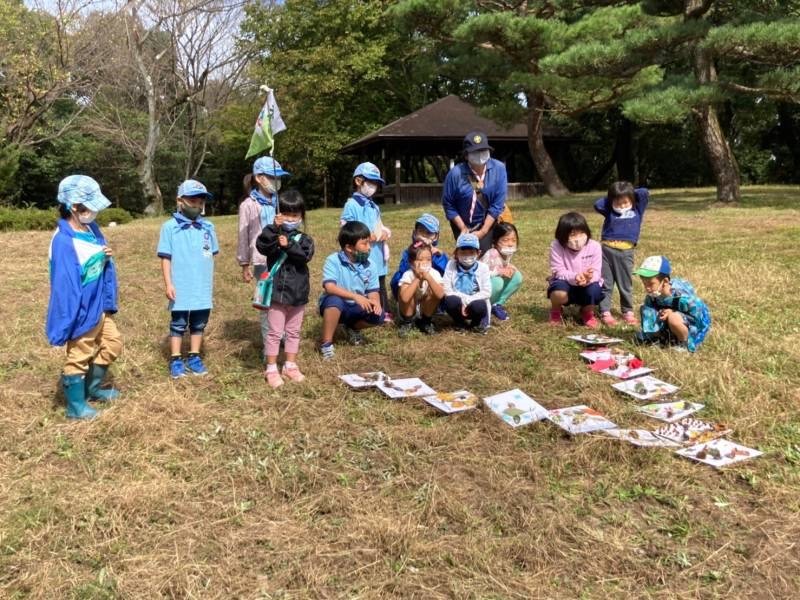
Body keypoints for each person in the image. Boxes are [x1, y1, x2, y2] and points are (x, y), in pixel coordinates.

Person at [46, 175, 123, 420]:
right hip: (81, 309)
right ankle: (75, 406)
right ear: (74, 207)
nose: (94, 212)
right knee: (79, 355)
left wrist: (106, 256)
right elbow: (65, 286)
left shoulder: (91, 229)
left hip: (99, 305)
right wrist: (71, 318)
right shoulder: (63, 241)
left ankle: (93, 388)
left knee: (113, 343)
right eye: (90, 206)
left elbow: (95, 261)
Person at [157, 180, 219, 378]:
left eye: (201, 201)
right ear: (180, 200)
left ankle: (194, 356)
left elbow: (210, 255)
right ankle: (176, 359)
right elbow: (166, 258)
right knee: (178, 322)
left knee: (199, 323)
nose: (197, 205)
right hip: (180, 285)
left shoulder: (208, 227)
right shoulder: (169, 227)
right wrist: (169, 284)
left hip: (202, 285)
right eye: (192, 200)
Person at [254, 191, 315, 388]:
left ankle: (290, 365)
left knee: (294, 331)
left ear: (301, 217)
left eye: (295, 215)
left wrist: (288, 246)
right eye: (286, 214)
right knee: (274, 332)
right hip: (277, 294)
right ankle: (271, 367)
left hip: (298, 293)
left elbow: (304, 257)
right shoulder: (273, 234)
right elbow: (262, 245)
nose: (291, 219)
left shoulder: (305, 239)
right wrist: (274, 228)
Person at [237, 156, 291, 351]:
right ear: (259, 178)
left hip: (284, 257)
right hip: (262, 262)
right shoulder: (248, 206)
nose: (276, 182)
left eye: (278, 178)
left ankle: (284, 335)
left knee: (284, 299)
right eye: (271, 177)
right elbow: (243, 236)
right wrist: (244, 264)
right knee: (266, 302)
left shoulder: (281, 203)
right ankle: (270, 343)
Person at [318, 221, 384, 360]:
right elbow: (329, 287)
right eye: (364, 244)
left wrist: (375, 302)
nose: (369, 248)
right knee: (334, 302)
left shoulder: (370, 265)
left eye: (369, 243)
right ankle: (326, 344)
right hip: (337, 303)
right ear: (349, 247)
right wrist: (355, 297)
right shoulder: (333, 260)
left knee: (379, 315)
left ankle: (353, 328)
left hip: (357, 305)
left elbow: (373, 291)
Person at [340, 162, 392, 322]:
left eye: (375, 183)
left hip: (377, 253)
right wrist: (370, 237)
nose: (373, 186)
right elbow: (347, 229)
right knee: (361, 280)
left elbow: (379, 225)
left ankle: (384, 311)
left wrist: (385, 232)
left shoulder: (374, 206)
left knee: (379, 281)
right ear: (358, 181)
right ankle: (361, 311)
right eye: (370, 182)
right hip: (361, 252)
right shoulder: (352, 205)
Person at [442, 131, 508, 255]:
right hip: (461, 223)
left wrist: (483, 231)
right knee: (467, 254)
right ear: (466, 155)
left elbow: (497, 204)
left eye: (483, 150)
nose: (479, 155)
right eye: (475, 152)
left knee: (485, 253)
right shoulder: (455, 174)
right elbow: (448, 204)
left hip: (487, 221)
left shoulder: (499, 169)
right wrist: (463, 228)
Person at [594, 181, 650, 326]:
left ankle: (627, 311)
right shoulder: (609, 210)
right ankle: (605, 311)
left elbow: (644, 192)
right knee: (605, 283)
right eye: (618, 203)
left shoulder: (637, 209)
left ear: (631, 199)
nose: (622, 206)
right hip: (606, 251)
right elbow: (597, 204)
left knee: (625, 284)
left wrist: (627, 192)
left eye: (625, 202)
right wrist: (613, 195)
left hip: (625, 252)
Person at [634, 255, 711, 352]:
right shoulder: (652, 296)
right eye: (644, 284)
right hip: (669, 325)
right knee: (647, 310)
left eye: (651, 284)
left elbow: (699, 314)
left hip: (689, 326)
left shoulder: (680, 296)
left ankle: (685, 343)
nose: (647, 288)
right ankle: (656, 338)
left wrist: (672, 312)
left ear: (665, 281)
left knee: (673, 318)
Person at [547, 212, 604, 328]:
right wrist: (575, 276)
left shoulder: (595, 246)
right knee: (559, 293)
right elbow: (559, 270)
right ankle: (556, 311)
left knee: (595, 290)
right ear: (562, 235)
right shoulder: (556, 246)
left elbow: (597, 271)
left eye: (582, 232)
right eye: (573, 234)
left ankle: (587, 312)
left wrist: (589, 278)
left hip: (587, 283)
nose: (578, 238)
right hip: (565, 282)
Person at [389, 213, 449, 301]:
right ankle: (403, 302)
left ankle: (437, 305)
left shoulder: (437, 254)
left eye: (428, 233)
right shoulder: (409, 252)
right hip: (413, 284)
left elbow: (446, 273)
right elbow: (403, 269)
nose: (424, 236)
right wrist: (414, 258)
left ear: (435, 237)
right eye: (421, 231)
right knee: (397, 277)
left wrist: (440, 257)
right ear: (415, 233)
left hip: (430, 286)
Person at [442, 232, 492, 333]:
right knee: (450, 301)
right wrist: (462, 300)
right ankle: (459, 322)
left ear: (478, 253)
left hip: (475, 301)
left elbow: (487, 292)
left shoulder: (483, 268)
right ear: (456, 253)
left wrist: (468, 300)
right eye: (463, 252)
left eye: (471, 252)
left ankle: (476, 323)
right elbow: (446, 288)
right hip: (459, 302)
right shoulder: (451, 264)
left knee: (479, 305)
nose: (467, 256)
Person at [396, 243, 445, 336]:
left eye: (429, 259)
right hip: (408, 309)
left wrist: (428, 278)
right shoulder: (408, 274)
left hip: (424, 308)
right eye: (420, 259)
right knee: (406, 290)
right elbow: (405, 298)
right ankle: (408, 322)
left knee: (434, 289)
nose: (425, 262)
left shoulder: (434, 273)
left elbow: (440, 295)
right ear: (411, 262)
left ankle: (425, 321)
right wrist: (418, 278)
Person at [481, 222, 523, 322]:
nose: (510, 244)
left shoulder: (507, 253)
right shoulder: (492, 254)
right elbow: (482, 274)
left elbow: (504, 264)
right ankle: (485, 307)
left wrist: (509, 267)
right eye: (505, 240)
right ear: (495, 241)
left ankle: (497, 304)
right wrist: (499, 271)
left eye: (514, 240)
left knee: (517, 276)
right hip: (481, 287)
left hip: (494, 281)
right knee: (498, 282)